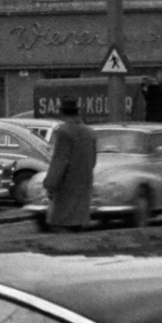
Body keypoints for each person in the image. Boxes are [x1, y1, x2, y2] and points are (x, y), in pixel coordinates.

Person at [42, 96, 95, 231]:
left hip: (66, 189)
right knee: (78, 228)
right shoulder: (90, 132)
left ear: (62, 112)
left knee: (63, 227)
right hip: (84, 187)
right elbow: (93, 160)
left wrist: (50, 184)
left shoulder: (64, 132)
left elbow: (59, 161)